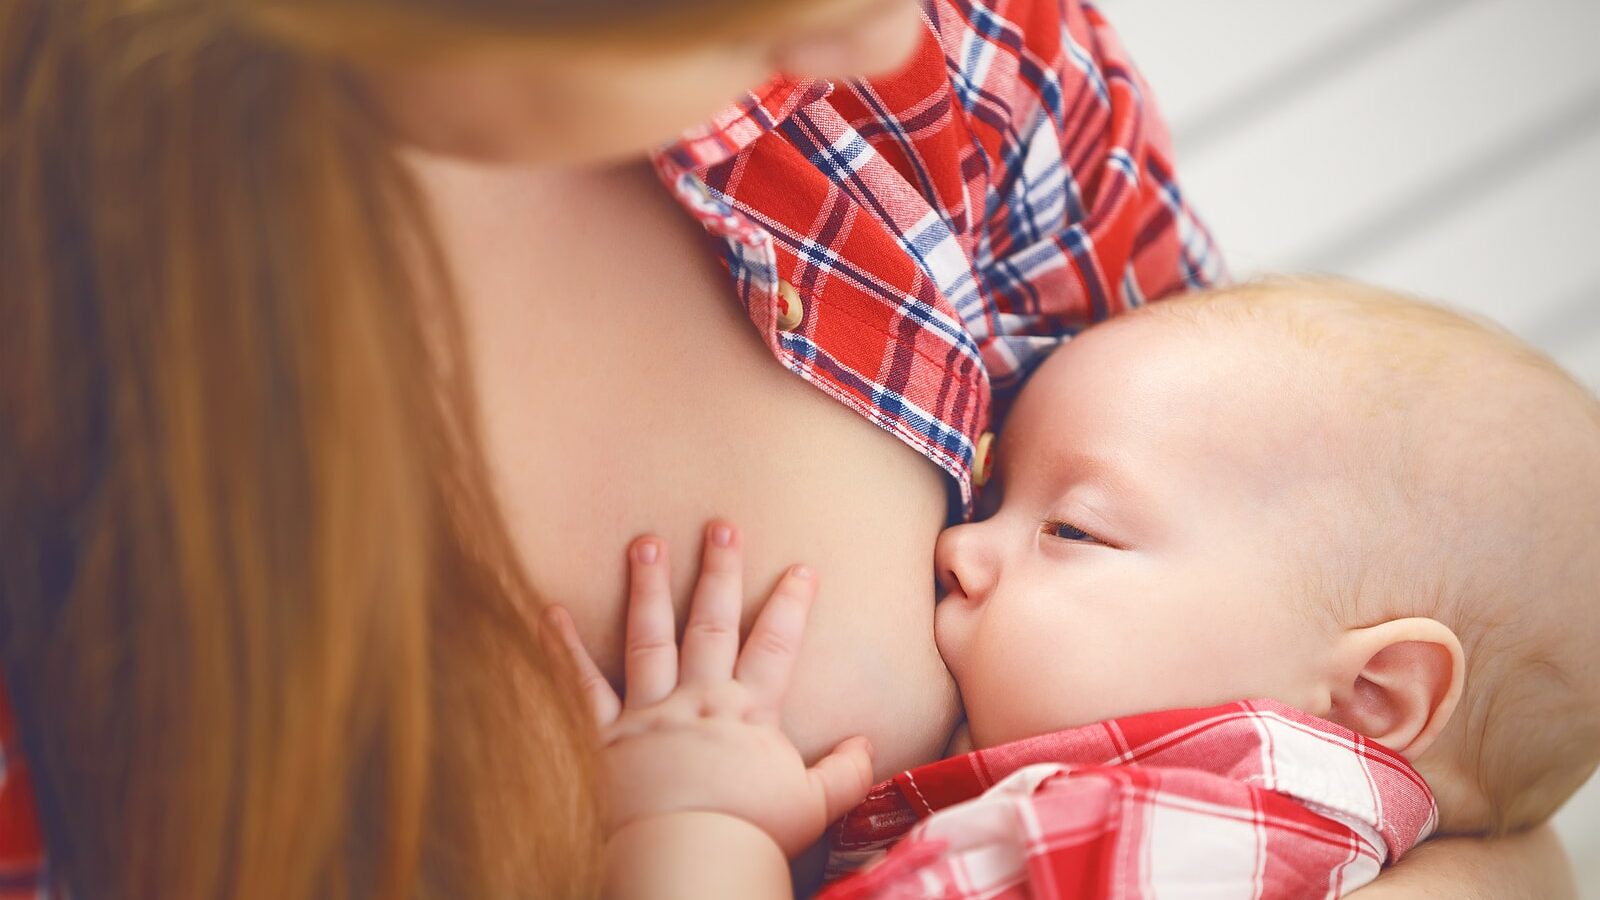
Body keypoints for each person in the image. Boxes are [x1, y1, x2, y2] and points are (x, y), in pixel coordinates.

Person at [0, 0, 1573, 895]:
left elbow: (1339, 567)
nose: (896, 27)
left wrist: (694, 830)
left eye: (1070, 532)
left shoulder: (946, 71)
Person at [559, 278, 1600, 897]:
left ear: (1374, 695)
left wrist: (695, 833)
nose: (958, 550)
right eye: (995, 492)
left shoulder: (1158, 846)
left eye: (1071, 528)